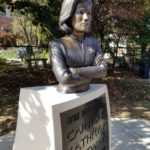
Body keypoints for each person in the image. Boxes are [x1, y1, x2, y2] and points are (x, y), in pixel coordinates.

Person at [50, 0, 107, 93]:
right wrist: (91, 75)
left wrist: (76, 71)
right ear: (69, 15)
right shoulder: (58, 45)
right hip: (66, 93)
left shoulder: (93, 43)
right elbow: (64, 78)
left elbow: (103, 71)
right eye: (81, 12)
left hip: (87, 90)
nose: (86, 18)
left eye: (89, 13)